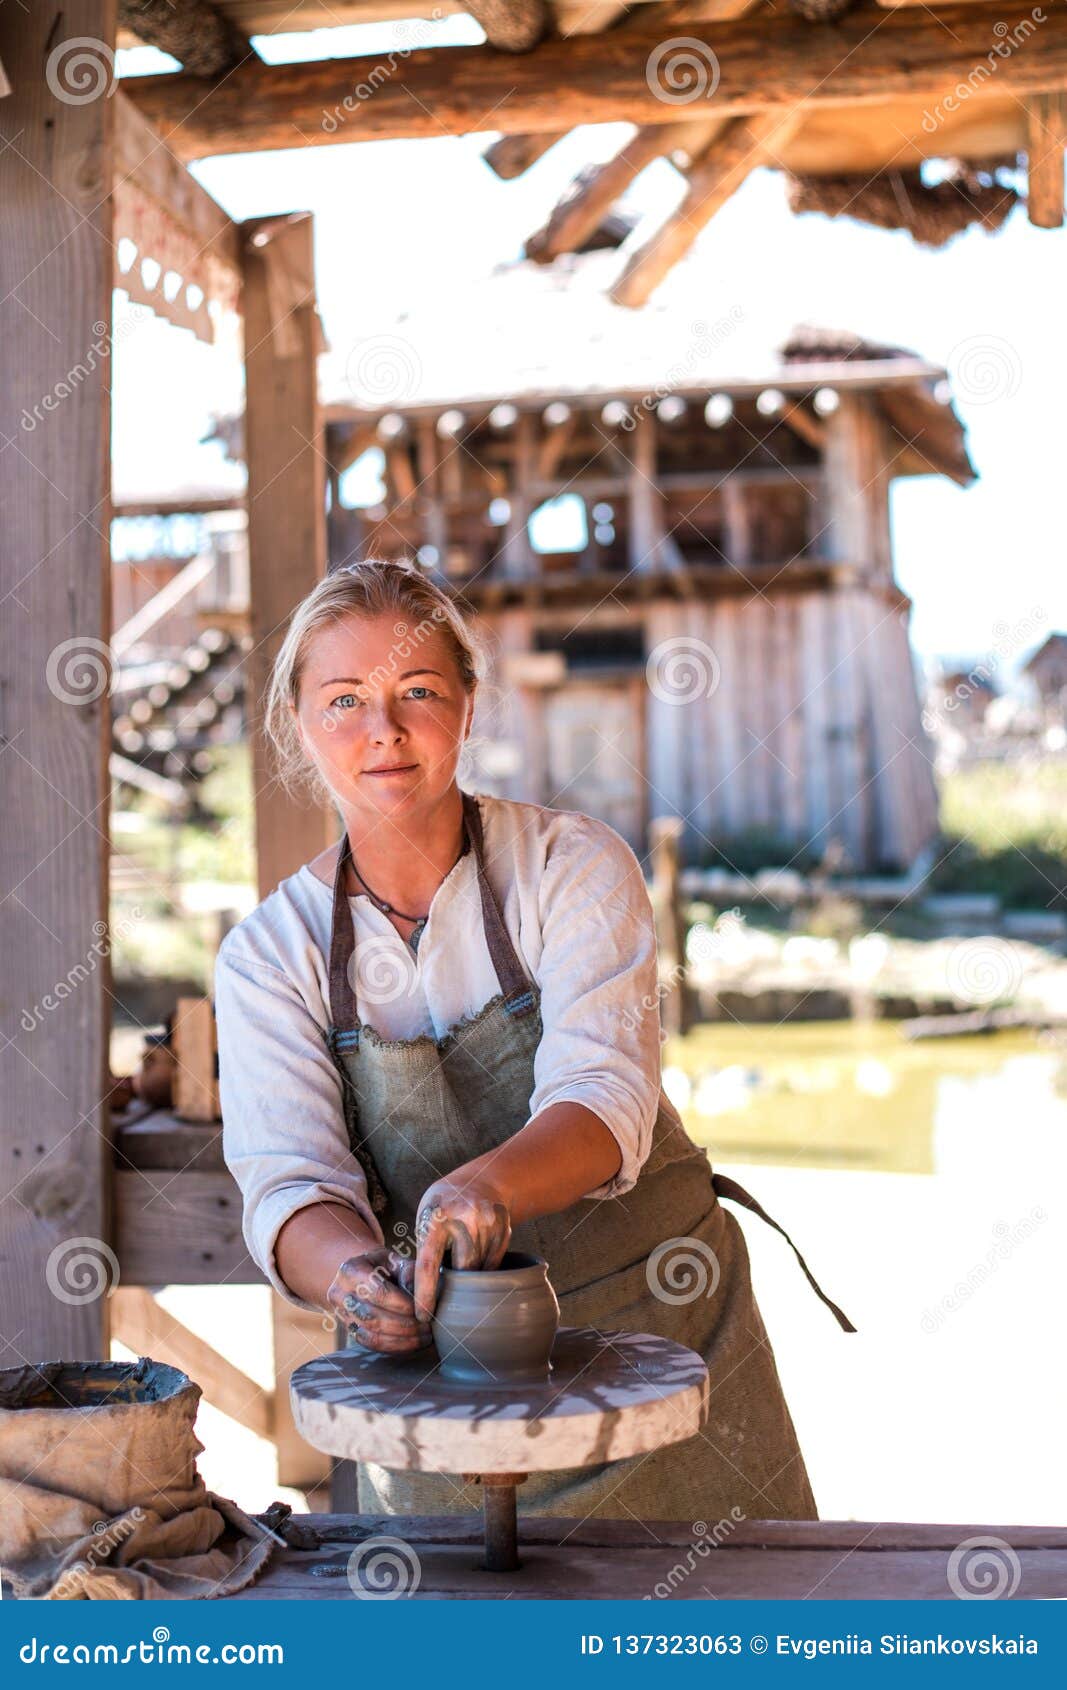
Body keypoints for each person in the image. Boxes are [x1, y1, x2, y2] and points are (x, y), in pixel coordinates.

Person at [216, 558, 852, 1522]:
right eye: (343, 699)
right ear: (300, 727)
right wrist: (353, 1280)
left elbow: (601, 1096)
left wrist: (486, 1185)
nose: (382, 728)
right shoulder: (272, 954)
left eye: (416, 691)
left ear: (468, 706)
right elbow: (290, 1183)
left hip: (663, 1351)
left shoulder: (570, 867)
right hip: (443, 1401)